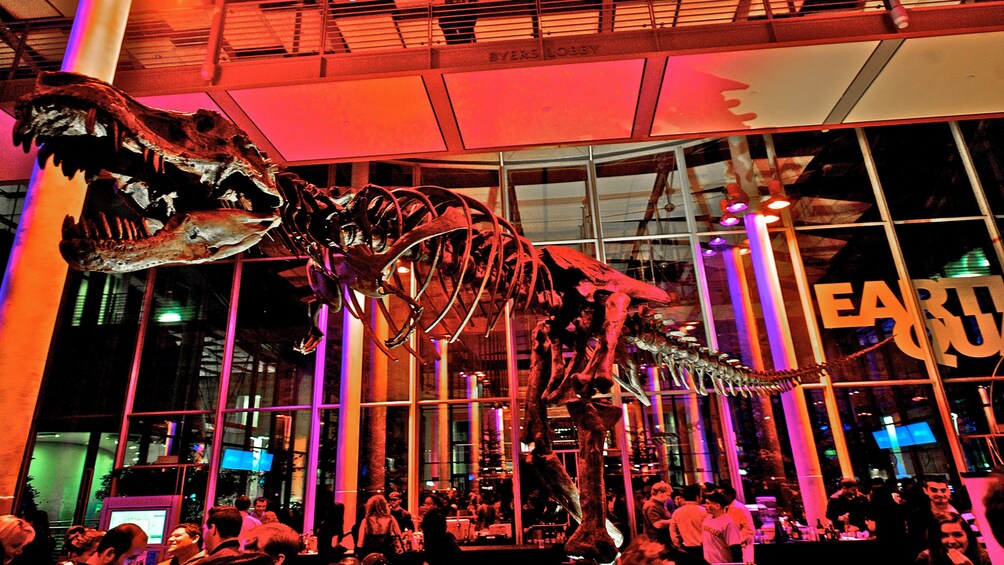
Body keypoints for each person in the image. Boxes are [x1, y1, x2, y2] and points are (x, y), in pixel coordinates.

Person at [915, 512, 990, 565]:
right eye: (944, 535)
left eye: (957, 535)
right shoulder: (925, 559)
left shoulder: (985, 559)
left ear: (968, 536)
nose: (951, 541)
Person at [668, 484, 706, 565]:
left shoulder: (677, 512)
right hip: (704, 549)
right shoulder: (705, 511)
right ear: (697, 496)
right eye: (701, 495)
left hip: (686, 549)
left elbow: (673, 533)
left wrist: (679, 546)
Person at [357, 495, 403, 562]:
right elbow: (398, 536)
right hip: (387, 553)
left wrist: (359, 552)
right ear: (384, 506)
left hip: (370, 554)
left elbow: (360, 541)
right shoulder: (391, 519)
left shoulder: (366, 521)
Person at [701, 491, 742, 565]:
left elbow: (735, 548)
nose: (705, 505)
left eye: (708, 503)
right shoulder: (707, 518)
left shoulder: (729, 523)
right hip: (708, 562)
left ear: (717, 505)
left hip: (722, 562)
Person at [719, 485, 754, 564]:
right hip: (731, 548)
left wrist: (734, 540)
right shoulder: (725, 508)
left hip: (743, 546)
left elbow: (749, 529)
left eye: (722, 494)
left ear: (729, 495)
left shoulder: (740, 508)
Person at [641, 482, 673, 548]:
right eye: (668, 495)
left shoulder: (659, 504)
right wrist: (675, 521)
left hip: (660, 542)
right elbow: (657, 524)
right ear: (660, 493)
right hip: (657, 543)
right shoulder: (651, 505)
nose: (669, 498)